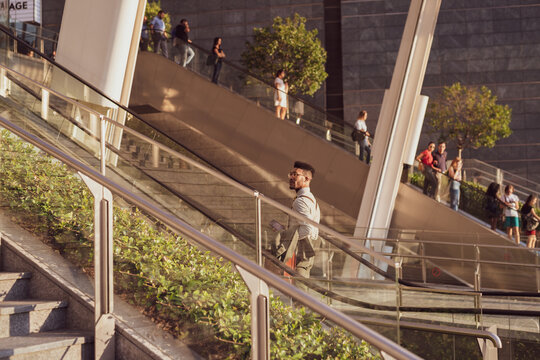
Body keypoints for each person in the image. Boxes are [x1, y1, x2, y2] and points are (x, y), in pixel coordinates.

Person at [287, 161, 321, 279]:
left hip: (302, 249)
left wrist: (288, 237)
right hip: (308, 250)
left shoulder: (301, 201)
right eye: (291, 174)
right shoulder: (311, 199)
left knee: (299, 288)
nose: (291, 177)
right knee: (302, 285)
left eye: (295, 175)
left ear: (306, 179)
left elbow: (307, 229)